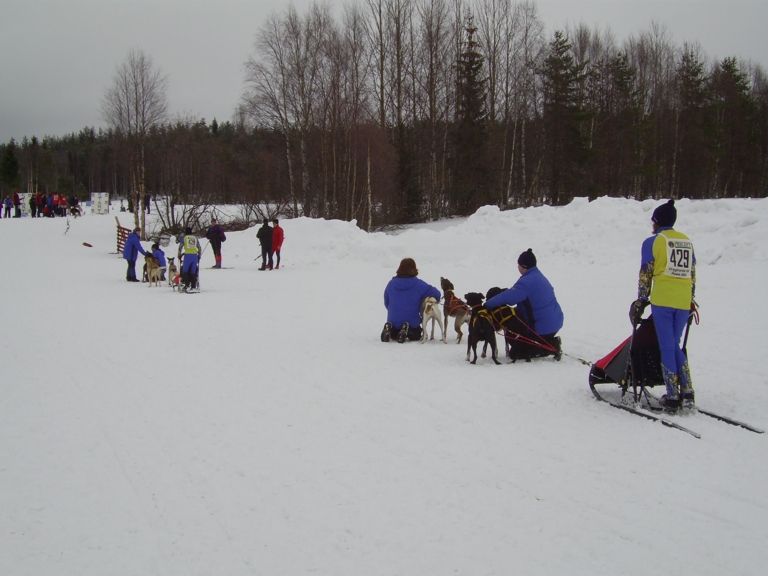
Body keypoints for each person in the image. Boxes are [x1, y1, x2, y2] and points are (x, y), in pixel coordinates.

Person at [630, 199, 696, 410]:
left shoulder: (653, 242)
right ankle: (688, 390)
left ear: (657, 222)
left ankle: (673, 395)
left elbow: (646, 273)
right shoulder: (686, 241)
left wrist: (641, 300)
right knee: (674, 344)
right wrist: (691, 298)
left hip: (663, 300)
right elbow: (692, 273)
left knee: (666, 346)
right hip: (683, 300)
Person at [485, 249, 564, 360]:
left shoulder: (526, 282)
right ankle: (548, 341)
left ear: (522, 266)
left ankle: (551, 346)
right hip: (555, 322)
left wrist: (487, 305)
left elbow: (508, 297)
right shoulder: (539, 276)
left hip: (541, 328)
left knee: (516, 353)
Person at [382, 258, 441, 343]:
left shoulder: (391, 283)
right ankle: (407, 329)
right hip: (411, 321)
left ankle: (390, 328)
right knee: (416, 335)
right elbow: (437, 293)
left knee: (394, 335)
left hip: (393, 319)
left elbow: (386, 302)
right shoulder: (418, 284)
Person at [180, 226, 200, 292]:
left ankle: (187, 285)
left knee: (185, 270)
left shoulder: (184, 238)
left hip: (188, 256)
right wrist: (199, 255)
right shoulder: (195, 238)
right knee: (193, 271)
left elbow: (180, 247)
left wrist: (179, 255)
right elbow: (199, 247)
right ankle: (193, 286)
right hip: (195, 256)